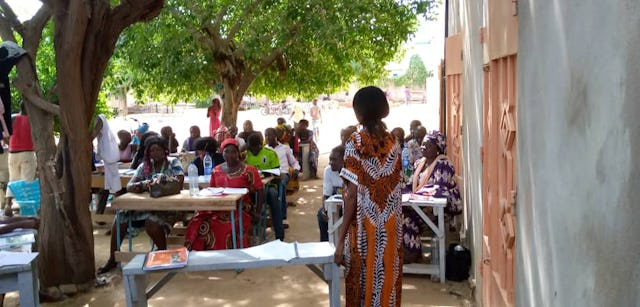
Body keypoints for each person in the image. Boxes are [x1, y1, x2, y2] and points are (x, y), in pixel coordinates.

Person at [334, 86, 403, 306]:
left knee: (362, 289)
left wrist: (340, 240)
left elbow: (351, 197)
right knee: (387, 289)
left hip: (365, 230)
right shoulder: (394, 142)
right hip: (391, 230)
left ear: (360, 111)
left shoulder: (355, 142)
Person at [98, 136, 185, 274]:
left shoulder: (173, 162)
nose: (155, 153)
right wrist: (145, 184)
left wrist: (158, 183)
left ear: (165, 151)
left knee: (152, 222)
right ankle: (113, 258)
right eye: (152, 151)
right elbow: (130, 186)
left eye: (158, 150)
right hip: (146, 206)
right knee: (120, 217)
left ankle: (162, 253)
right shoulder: (144, 166)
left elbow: (178, 182)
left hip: (167, 208)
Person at [184, 138, 263, 250]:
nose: (230, 155)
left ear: (238, 153)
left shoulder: (249, 170)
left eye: (233, 152)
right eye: (226, 151)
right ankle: (199, 253)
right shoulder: (216, 170)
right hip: (218, 206)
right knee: (198, 221)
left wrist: (258, 212)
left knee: (222, 225)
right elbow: (212, 190)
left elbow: (259, 189)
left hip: (241, 208)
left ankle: (225, 256)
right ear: (222, 152)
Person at [404, 131, 462, 263]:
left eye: (428, 145)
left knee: (407, 219)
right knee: (397, 213)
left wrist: (416, 196)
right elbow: (409, 185)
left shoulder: (443, 165)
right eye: (423, 144)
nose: (423, 147)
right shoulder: (419, 163)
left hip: (440, 209)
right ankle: (406, 249)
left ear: (438, 148)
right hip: (419, 205)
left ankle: (413, 252)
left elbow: (439, 189)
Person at [244, 132, 285, 240]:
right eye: (251, 148)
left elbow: (277, 173)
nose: (253, 151)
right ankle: (248, 234)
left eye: (255, 148)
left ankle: (279, 234)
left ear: (260, 145)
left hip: (268, 186)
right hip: (251, 189)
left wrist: (264, 173)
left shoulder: (270, 153)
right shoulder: (245, 155)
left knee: (273, 195)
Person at [4, 102, 36, 216]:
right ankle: (25, 209)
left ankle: (8, 204)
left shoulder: (12, 118)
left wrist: (11, 143)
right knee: (27, 181)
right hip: (28, 153)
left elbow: (4, 134)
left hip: (12, 153)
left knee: (13, 179)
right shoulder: (33, 121)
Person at [265, 128, 300, 228]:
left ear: (276, 136)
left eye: (269, 135)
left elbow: (294, 162)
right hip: (270, 175)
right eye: (266, 135)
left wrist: (296, 169)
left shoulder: (285, 148)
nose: (267, 138)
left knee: (281, 186)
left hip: (284, 173)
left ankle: (282, 218)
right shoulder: (265, 150)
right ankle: (269, 217)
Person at [317, 145, 345, 242]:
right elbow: (326, 196)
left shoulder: (353, 171)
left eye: (334, 160)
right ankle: (325, 246)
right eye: (330, 159)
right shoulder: (328, 171)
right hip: (335, 206)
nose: (330, 163)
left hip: (351, 206)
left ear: (344, 160)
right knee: (321, 215)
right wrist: (325, 209)